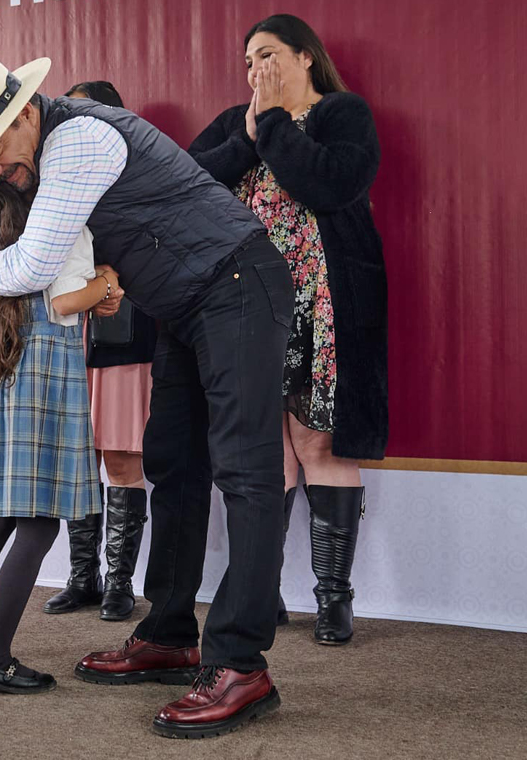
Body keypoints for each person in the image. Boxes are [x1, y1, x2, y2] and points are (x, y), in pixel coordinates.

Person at [0, 53, 292, 737]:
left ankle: (241, 664)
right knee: (174, 465)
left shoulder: (80, 138)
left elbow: (35, 264)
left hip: (238, 284)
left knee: (247, 474)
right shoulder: (50, 144)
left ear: (23, 114)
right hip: (187, 304)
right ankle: (169, 633)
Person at [188, 14, 387, 645]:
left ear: (306, 58)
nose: (256, 71)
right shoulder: (235, 123)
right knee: (258, 452)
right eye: (248, 62)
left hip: (324, 304)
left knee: (319, 446)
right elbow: (190, 183)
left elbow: (331, 184)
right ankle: (259, 590)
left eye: (268, 55)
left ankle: (334, 599)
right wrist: (249, 137)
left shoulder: (343, 113)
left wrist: (273, 123)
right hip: (246, 304)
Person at [0, 168, 116, 694]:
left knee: (9, 507)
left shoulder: (9, 241)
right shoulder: (62, 222)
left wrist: (93, 281)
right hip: (43, 363)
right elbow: (62, 302)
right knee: (39, 523)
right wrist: (105, 282)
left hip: (11, 353)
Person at [43, 80, 159, 622]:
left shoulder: (140, 176)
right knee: (77, 461)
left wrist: (110, 277)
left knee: (120, 457)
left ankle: (120, 584)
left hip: (123, 333)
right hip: (67, 334)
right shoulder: (54, 177)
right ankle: (80, 577)